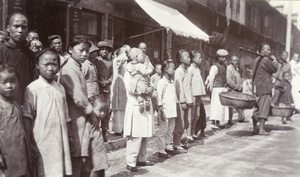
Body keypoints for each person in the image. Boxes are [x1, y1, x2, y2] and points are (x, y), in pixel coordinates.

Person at [23, 48, 72, 177]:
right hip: (42, 140)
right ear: (38, 66)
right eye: (46, 64)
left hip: (60, 138)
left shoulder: (60, 88)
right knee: (44, 170)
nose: (50, 68)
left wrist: (70, 136)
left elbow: (66, 116)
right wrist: (30, 143)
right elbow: (27, 117)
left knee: (58, 170)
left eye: (54, 64)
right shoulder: (32, 88)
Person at [59, 35, 100, 177]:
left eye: (87, 51)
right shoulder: (69, 69)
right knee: (76, 157)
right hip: (74, 119)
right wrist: (91, 112)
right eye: (81, 50)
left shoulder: (77, 67)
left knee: (82, 156)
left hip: (80, 117)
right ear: (70, 49)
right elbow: (78, 97)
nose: (85, 54)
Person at [123, 48, 154, 172]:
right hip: (135, 104)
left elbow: (150, 82)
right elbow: (130, 88)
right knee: (135, 135)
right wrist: (141, 91)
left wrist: (150, 89)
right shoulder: (128, 72)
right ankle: (131, 161)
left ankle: (142, 158)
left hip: (146, 103)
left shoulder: (144, 70)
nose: (144, 56)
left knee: (145, 134)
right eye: (141, 54)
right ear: (135, 56)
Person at [81, 41, 109, 176]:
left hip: (95, 94)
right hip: (89, 96)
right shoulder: (85, 65)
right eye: (94, 52)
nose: (95, 54)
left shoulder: (93, 64)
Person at [0, 64, 31, 177]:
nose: (9, 86)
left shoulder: (17, 104)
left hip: (20, 156)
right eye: (4, 82)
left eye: (13, 82)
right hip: (5, 158)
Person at [0, 11, 34, 103]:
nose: (20, 30)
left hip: (27, 102)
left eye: (24, 27)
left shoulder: (31, 54)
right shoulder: (1, 51)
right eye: (16, 26)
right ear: (8, 28)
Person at [251, 43, 277, 135]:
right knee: (264, 108)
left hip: (256, 87)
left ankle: (255, 128)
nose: (269, 51)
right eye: (268, 50)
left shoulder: (255, 60)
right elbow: (274, 69)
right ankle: (261, 129)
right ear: (262, 50)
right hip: (264, 87)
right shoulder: (266, 59)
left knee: (257, 108)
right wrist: (274, 60)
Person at [156, 59, 177, 158]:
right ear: (166, 69)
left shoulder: (172, 82)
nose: (174, 70)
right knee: (163, 130)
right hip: (165, 110)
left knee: (170, 129)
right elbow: (159, 97)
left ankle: (168, 145)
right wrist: (161, 110)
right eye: (172, 68)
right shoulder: (161, 82)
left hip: (172, 110)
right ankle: (161, 149)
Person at [94, 40, 113, 142]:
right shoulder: (96, 61)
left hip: (107, 89)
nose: (104, 52)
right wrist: (99, 81)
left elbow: (112, 74)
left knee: (106, 110)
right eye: (102, 50)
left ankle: (105, 131)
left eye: (106, 50)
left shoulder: (110, 62)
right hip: (98, 88)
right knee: (97, 109)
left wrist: (109, 81)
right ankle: (96, 132)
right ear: (99, 51)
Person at [206, 49, 229, 129]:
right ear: (218, 58)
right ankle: (213, 123)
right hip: (216, 89)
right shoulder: (214, 67)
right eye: (222, 57)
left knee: (221, 107)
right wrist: (211, 88)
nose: (224, 59)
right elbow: (211, 78)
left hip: (223, 88)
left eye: (225, 57)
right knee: (215, 106)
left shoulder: (224, 66)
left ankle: (218, 122)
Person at [125, 48, 154, 113]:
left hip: (144, 99)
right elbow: (128, 87)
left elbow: (149, 81)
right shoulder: (128, 73)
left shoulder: (130, 67)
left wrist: (151, 88)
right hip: (134, 103)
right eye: (142, 56)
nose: (144, 58)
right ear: (136, 57)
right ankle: (142, 102)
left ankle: (145, 102)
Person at [186, 50, 207, 139]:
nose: (201, 59)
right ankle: (189, 134)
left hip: (198, 95)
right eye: (199, 57)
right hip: (193, 95)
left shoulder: (197, 69)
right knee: (191, 115)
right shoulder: (190, 70)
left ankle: (194, 132)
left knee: (197, 115)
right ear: (193, 59)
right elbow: (188, 84)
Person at [174, 49, 191, 151]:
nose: (189, 58)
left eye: (189, 56)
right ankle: (176, 144)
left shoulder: (187, 71)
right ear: (180, 59)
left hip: (187, 101)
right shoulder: (178, 72)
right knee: (180, 123)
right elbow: (179, 88)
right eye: (187, 57)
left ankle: (179, 141)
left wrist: (189, 100)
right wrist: (182, 101)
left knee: (186, 122)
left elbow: (188, 87)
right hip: (181, 101)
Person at [111, 44, 131, 136]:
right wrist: (124, 55)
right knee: (118, 107)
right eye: (126, 52)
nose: (127, 54)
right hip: (118, 83)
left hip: (123, 84)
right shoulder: (117, 60)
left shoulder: (125, 62)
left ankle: (122, 127)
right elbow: (119, 60)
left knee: (123, 106)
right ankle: (117, 128)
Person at [227, 54, 245, 123]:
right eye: (234, 60)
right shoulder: (229, 68)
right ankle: (230, 119)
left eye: (237, 60)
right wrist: (236, 87)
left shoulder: (236, 68)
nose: (236, 62)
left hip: (238, 89)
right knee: (231, 106)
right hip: (232, 89)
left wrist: (240, 85)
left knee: (239, 104)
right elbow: (228, 80)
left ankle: (241, 116)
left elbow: (239, 78)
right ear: (230, 61)